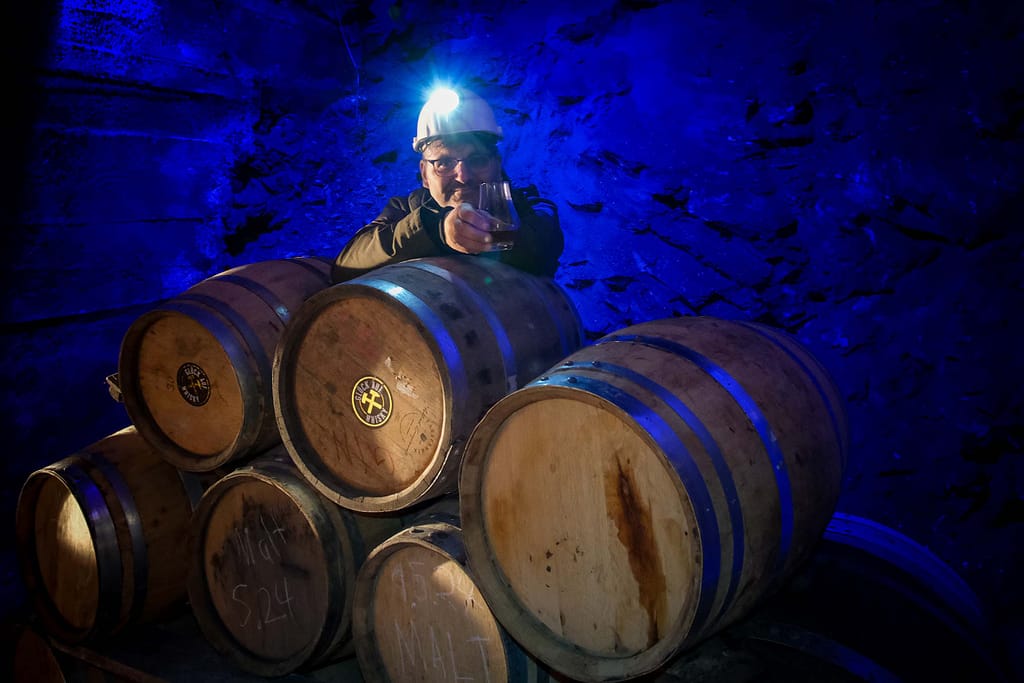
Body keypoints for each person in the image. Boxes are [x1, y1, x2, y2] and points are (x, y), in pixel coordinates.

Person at [331, 87, 564, 282]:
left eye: (478, 160)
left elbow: (543, 247)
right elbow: (347, 264)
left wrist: (490, 237)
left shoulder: (522, 209)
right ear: (425, 173)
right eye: (444, 162)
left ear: (496, 165)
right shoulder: (407, 209)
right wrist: (437, 230)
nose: (463, 176)